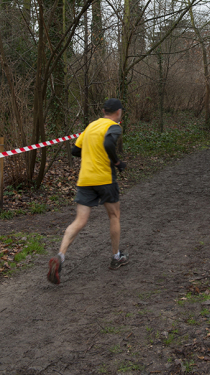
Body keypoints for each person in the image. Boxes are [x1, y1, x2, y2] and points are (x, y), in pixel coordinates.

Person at [47, 99, 128, 285]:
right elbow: (108, 144)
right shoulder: (114, 126)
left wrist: (92, 155)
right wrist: (117, 162)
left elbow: (76, 150)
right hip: (105, 179)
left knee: (80, 220)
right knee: (114, 215)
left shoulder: (91, 126)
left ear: (103, 110)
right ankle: (116, 257)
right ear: (118, 112)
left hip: (85, 179)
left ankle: (60, 255)